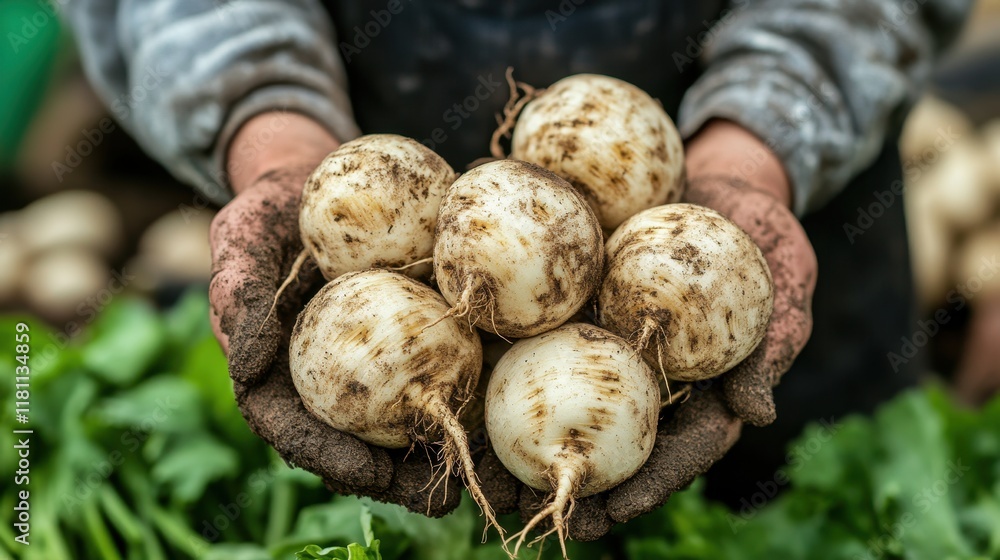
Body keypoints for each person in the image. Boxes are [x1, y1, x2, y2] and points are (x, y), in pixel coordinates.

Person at [67, 0, 971, 541]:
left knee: (817, 507)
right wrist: (271, 130)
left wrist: (753, 154)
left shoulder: (635, 227)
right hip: (364, 146)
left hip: (788, 212)